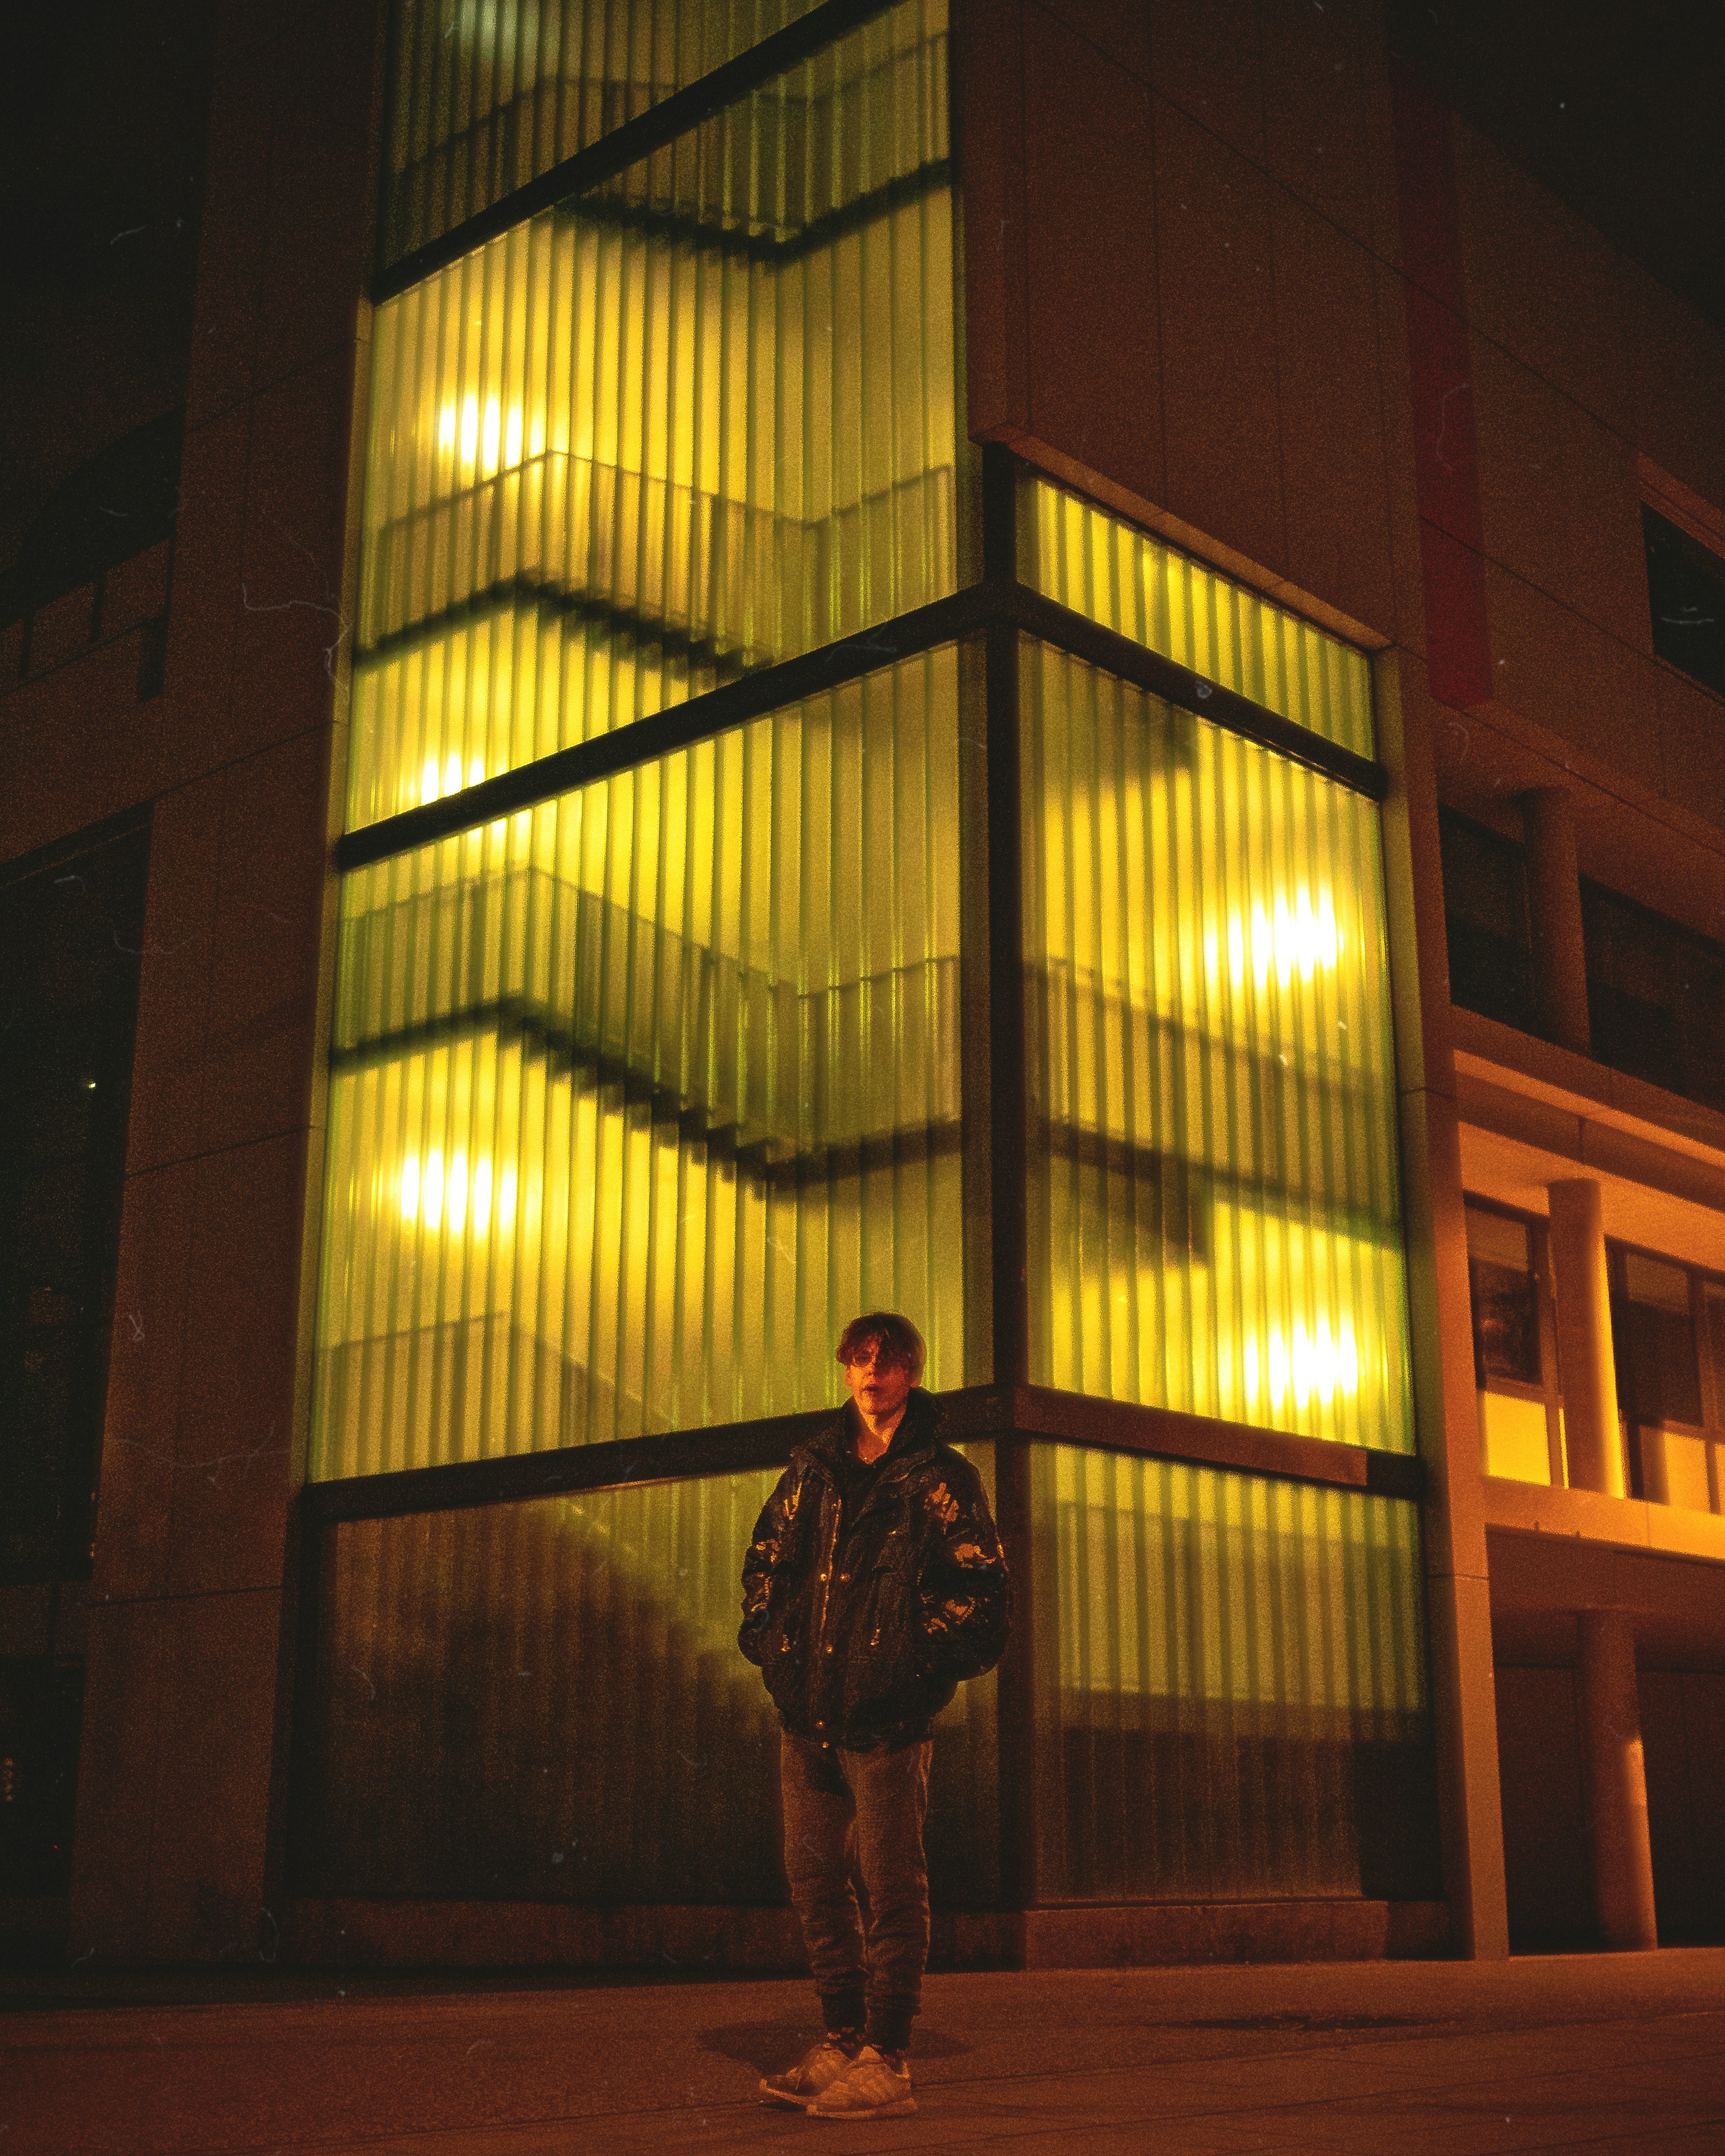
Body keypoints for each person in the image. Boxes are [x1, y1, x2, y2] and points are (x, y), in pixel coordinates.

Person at [738, 1312, 1011, 2120]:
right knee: (815, 1881)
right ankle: (841, 2039)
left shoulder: (941, 1478)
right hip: (808, 1715)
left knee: (891, 1886)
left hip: (887, 1722)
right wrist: (775, 1645)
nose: (871, 1374)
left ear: (912, 1375)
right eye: (858, 1360)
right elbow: (764, 1563)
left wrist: (902, 1666)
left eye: (886, 1363)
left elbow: (982, 1602)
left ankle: (887, 2058)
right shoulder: (811, 1472)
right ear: (844, 1370)